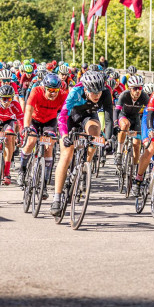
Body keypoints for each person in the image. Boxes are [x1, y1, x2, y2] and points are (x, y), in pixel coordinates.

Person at [50, 71, 113, 216]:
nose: (97, 95)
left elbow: (109, 118)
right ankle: (57, 198)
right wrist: (65, 135)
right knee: (66, 154)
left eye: (99, 91)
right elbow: (62, 116)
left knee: (95, 131)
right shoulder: (75, 91)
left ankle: (85, 166)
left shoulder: (105, 92)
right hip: (71, 117)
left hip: (89, 116)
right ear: (85, 89)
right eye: (92, 91)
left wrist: (109, 139)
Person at [19, 74, 67, 192]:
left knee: (49, 147)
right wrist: (26, 126)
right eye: (50, 90)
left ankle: (44, 184)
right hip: (34, 120)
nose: (53, 93)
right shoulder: (36, 91)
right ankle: (22, 170)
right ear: (44, 88)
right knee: (31, 141)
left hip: (50, 122)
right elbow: (29, 110)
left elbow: (67, 113)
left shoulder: (62, 95)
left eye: (55, 90)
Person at [113, 75, 148, 169]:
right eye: (135, 88)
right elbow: (116, 111)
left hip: (135, 118)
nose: (138, 91)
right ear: (129, 88)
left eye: (140, 88)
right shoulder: (124, 95)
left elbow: (150, 112)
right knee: (125, 125)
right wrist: (116, 124)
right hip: (123, 115)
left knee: (137, 145)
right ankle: (119, 153)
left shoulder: (144, 96)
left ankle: (134, 169)